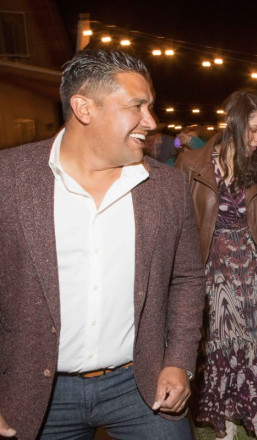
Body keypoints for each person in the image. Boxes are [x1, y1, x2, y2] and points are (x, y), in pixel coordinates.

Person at [0, 48, 206, 439]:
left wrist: (179, 360)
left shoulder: (167, 187)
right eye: (137, 106)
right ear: (84, 108)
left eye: (151, 106)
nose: (151, 121)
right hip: (38, 391)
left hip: (139, 383)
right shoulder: (8, 180)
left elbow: (188, 279)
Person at [175, 90, 257, 440]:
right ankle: (226, 418)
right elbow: (182, 224)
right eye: (254, 129)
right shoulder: (192, 164)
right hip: (215, 271)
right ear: (235, 122)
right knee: (223, 350)